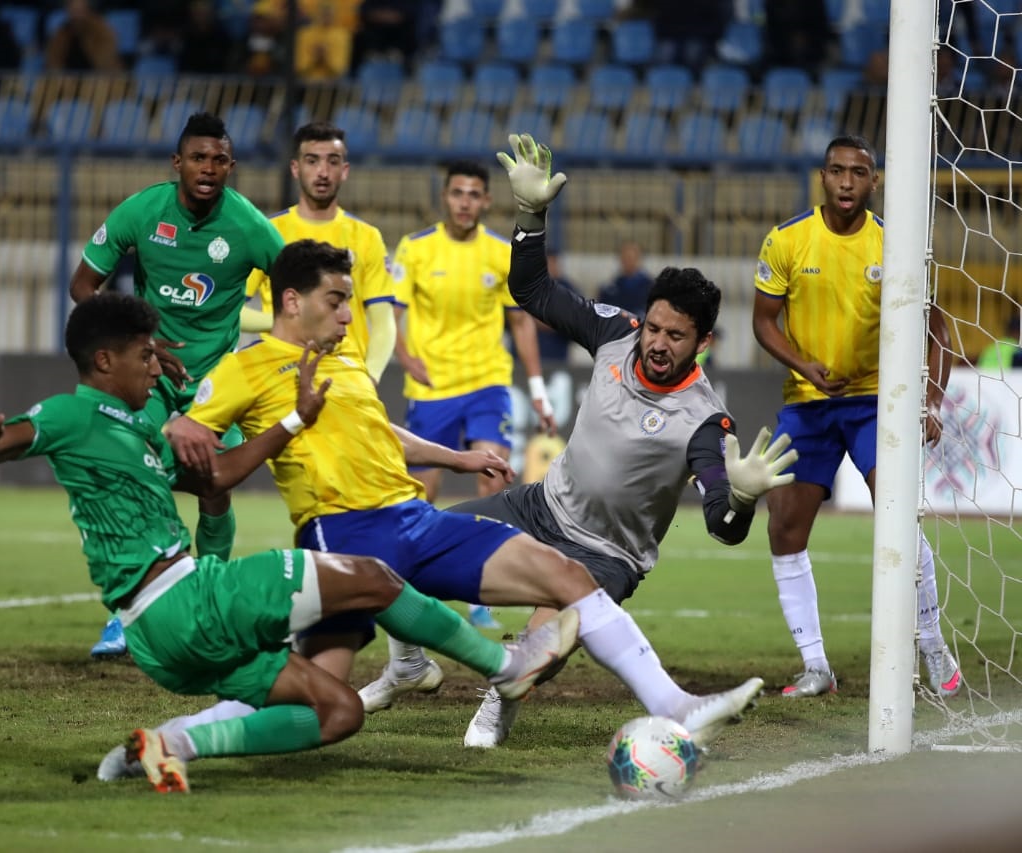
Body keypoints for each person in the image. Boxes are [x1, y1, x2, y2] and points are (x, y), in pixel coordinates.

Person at [143, 239, 766, 767]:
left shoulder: (343, 357)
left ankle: (671, 705)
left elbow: (376, 431)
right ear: (291, 302)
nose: (348, 315)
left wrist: (456, 458)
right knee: (326, 694)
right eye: (338, 301)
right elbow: (191, 450)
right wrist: (269, 424)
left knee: (562, 585)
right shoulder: (246, 371)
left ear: (701, 342)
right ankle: (496, 667)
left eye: (674, 335)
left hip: (434, 522)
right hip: (348, 531)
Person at [0, 291, 574, 794]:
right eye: (145, 355)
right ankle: (506, 667)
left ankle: (172, 743)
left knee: (339, 714)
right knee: (374, 578)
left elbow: (222, 475)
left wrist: (288, 421)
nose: (157, 364)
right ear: (102, 363)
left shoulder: (140, 428)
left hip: (162, 638)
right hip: (182, 598)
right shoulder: (72, 414)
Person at [368, 133, 799, 747]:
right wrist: (530, 217)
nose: (655, 342)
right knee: (403, 550)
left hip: (606, 554)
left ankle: (497, 705)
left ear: (702, 343)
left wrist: (742, 499)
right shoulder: (616, 334)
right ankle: (408, 664)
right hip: (539, 506)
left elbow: (720, 526)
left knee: (538, 651)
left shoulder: (706, 420)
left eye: (675, 336)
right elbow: (534, 292)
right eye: (653, 326)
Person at [752, 134, 962, 698]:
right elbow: (764, 322)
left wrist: (930, 400)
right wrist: (806, 365)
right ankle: (817, 666)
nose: (847, 181)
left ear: (875, 181)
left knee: (898, 517)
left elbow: (937, 331)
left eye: (859, 172)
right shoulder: (787, 240)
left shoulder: (895, 244)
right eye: (837, 170)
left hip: (877, 404)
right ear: (822, 177)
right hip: (808, 402)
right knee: (785, 528)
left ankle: (930, 641)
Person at [69, 111, 284, 657]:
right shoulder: (143, 211)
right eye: (197, 158)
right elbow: (83, 285)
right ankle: (128, 612)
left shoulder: (251, 227)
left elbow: (292, 295)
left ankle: (206, 601)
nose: (207, 168)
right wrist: (136, 344)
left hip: (217, 386)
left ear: (231, 166)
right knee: (137, 482)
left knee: (214, 488)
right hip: (152, 381)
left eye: (218, 160)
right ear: (177, 163)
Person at [392, 159, 556, 504]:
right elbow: (390, 314)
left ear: (486, 201)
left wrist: (538, 390)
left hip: (487, 381)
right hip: (431, 387)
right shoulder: (415, 248)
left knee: (493, 481)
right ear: (444, 197)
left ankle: (483, 558)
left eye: (473, 195)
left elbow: (521, 321)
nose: (464, 203)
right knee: (422, 495)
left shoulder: (500, 252)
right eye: (457, 194)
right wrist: (405, 358)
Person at [245, 121, 396, 384]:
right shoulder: (267, 232)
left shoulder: (367, 237)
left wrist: (371, 376)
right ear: (295, 168)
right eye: (312, 161)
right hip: (279, 377)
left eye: (333, 162)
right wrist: (282, 322)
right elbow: (233, 312)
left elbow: (383, 322)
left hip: (346, 379)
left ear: (345, 170)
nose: (323, 172)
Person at [44, 0, 122, 72]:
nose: (76, 14)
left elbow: (106, 59)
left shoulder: (101, 29)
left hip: (99, 77)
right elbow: (53, 60)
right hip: (69, 80)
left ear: (87, 9)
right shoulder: (62, 32)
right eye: (73, 9)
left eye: (80, 10)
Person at [596, 239, 653, 317]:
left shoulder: (650, 287)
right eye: (625, 257)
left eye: (632, 257)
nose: (628, 261)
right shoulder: (609, 289)